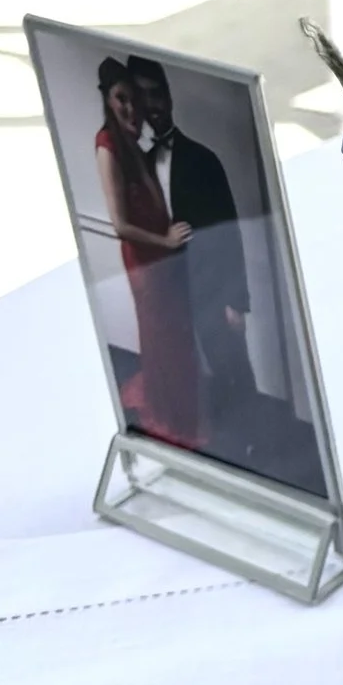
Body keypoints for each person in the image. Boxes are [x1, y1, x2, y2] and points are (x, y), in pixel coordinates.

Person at [126, 57, 253, 441]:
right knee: (184, 372)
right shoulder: (141, 165)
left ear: (168, 97)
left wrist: (236, 299)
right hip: (167, 293)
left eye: (157, 94)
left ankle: (252, 441)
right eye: (143, 97)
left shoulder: (202, 160)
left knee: (233, 368)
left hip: (211, 291)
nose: (152, 105)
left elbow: (229, 230)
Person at [92, 56, 201, 447]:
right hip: (146, 258)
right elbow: (120, 225)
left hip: (162, 257)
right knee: (162, 337)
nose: (130, 108)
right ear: (107, 99)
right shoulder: (108, 147)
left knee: (171, 336)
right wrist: (167, 242)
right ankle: (169, 413)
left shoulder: (133, 144)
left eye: (135, 100)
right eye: (122, 98)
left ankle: (175, 401)